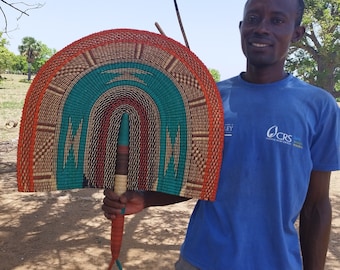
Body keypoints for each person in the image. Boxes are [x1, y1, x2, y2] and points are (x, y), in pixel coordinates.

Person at [102, 0, 340, 269]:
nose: (261, 28)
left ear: (297, 33)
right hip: (200, 260)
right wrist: (145, 198)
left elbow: (317, 206)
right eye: (252, 18)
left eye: (277, 20)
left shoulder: (319, 106)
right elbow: (198, 183)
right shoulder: (209, 100)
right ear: (241, 28)